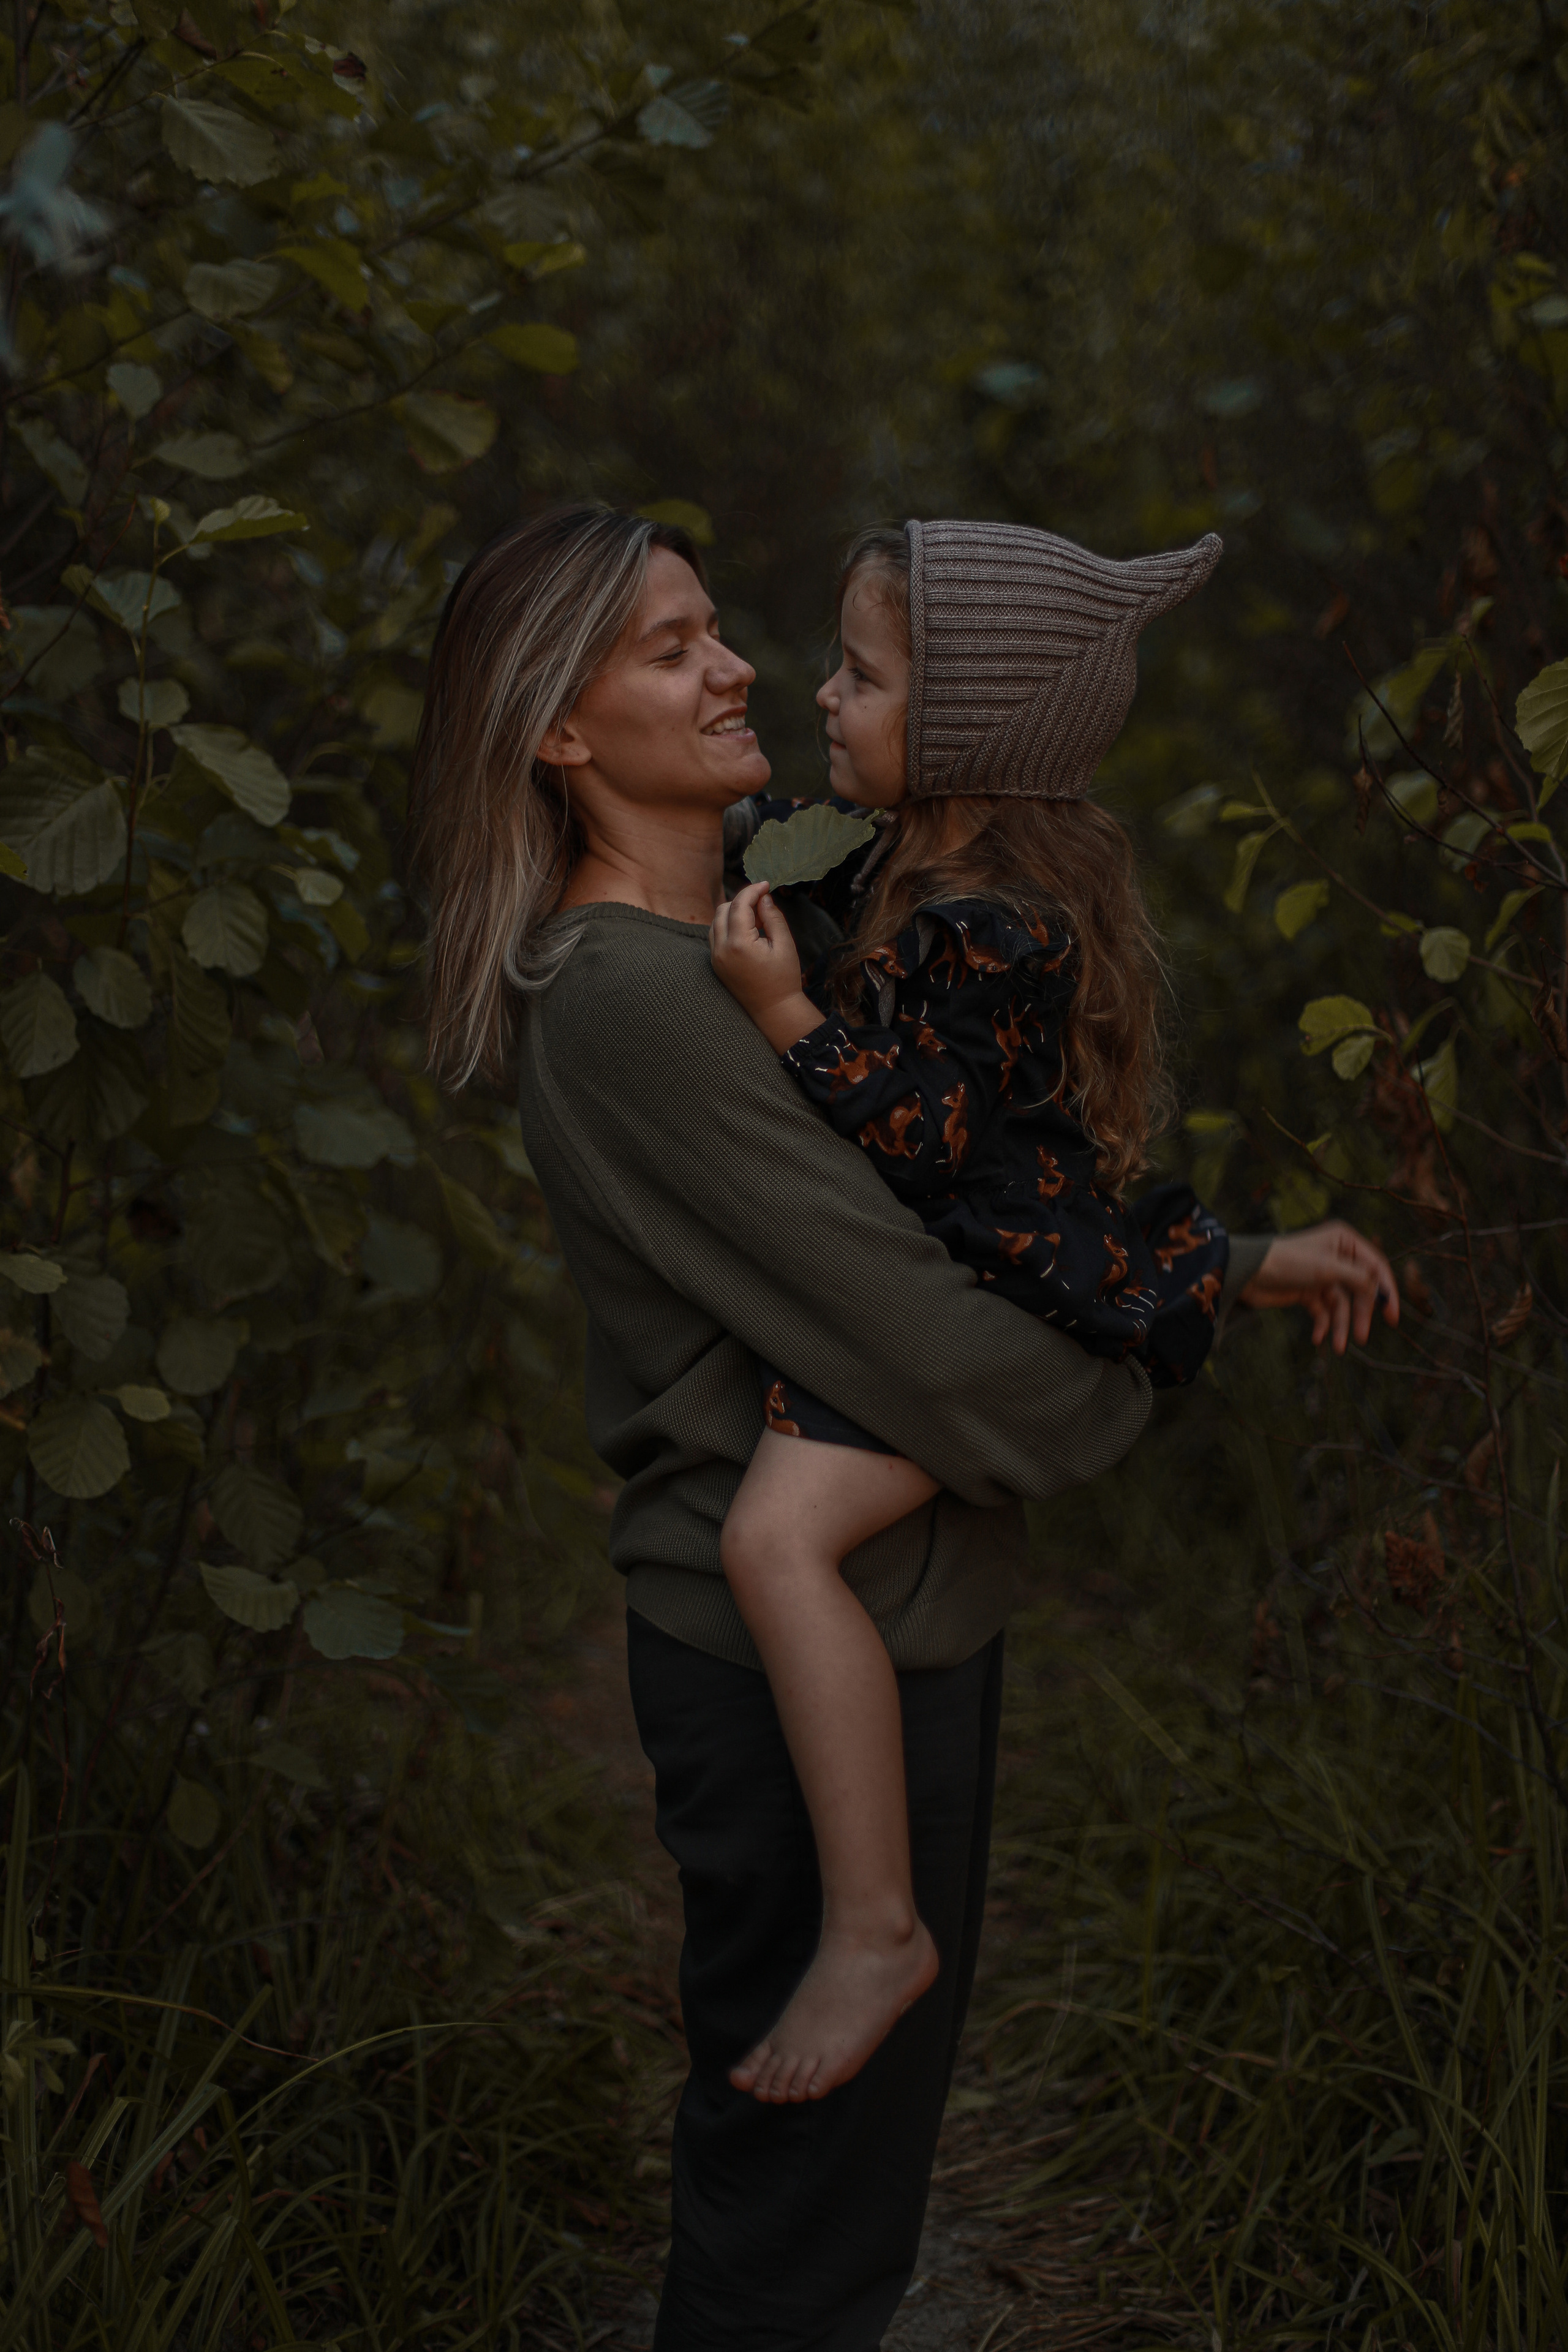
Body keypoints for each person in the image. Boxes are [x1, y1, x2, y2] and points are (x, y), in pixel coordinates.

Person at [405, 502, 1398, 2352]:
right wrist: (1121, 1364)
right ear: (556, 729)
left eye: (722, 630)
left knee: (838, 2220)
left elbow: (990, 1205)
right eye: (672, 645)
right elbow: (942, 1339)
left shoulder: (774, 920)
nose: (740, 669)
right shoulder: (633, 996)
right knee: (800, 2241)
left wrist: (1210, 1264)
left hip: (894, 1618)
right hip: (787, 1683)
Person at [706, 519, 1338, 2110]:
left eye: (862, 674)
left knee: (775, 1547)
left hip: (994, 1308)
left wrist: (785, 1013)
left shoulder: (995, 924)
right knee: (783, 1532)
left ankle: (875, 1924)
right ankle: (1268, 1263)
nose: (823, 696)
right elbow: (777, 836)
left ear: (968, 731)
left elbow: (925, 1132)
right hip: (1006, 1263)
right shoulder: (911, 860)